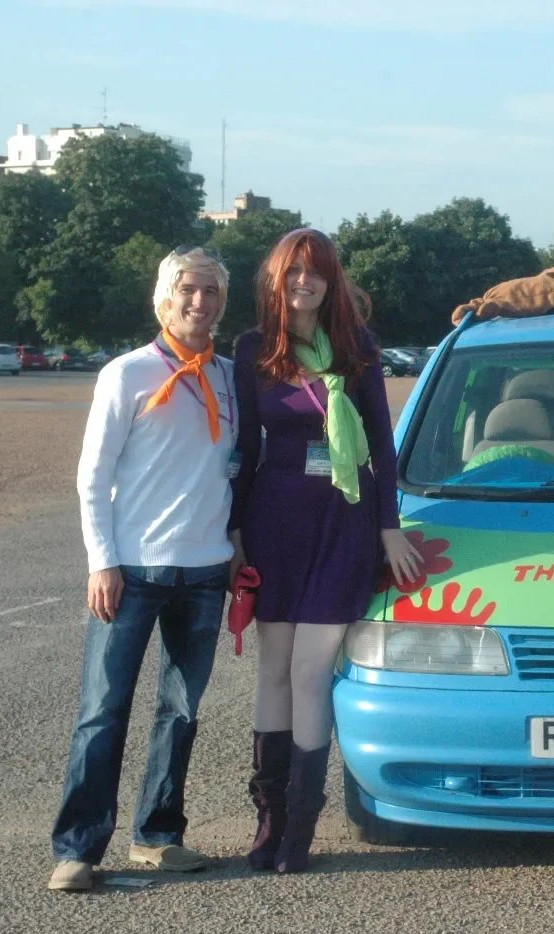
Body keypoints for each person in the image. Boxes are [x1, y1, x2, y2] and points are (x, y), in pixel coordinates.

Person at [230, 228, 421, 874]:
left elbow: (383, 445)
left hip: (345, 520)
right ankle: (269, 819)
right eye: (293, 274)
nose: (303, 284)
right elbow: (245, 452)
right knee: (274, 669)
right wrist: (234, 532)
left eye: (315, 273)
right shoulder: (253, 350)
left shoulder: (357, 348)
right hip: (275, 520)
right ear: (276, 282)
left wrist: (389, 525)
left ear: (330, 280)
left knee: (313, 672)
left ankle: (301, 829)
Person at [49, 247, 239, 892]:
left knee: (181, 712)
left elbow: (234, 472)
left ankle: (158, 835)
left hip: (206, 570)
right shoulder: (126, 374)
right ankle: (78, 848)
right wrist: (101, 561)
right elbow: (92, 476)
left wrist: (236, 548)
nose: (200, 302)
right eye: (188, 290)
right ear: (164, 298)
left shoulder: (230, 379)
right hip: (133, 571)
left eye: (211, 291)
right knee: (103, 710)